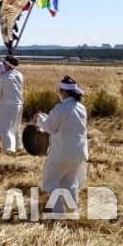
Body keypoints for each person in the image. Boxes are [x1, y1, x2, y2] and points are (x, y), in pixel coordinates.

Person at [35, 76, 88, 212]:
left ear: (64, 92)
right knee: (70, 183)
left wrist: (40, 118)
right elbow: (64, 124)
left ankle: (58, 212)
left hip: (61, 153)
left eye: (59, 90)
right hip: (79, 152)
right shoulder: (81, 108)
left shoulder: (60, 108)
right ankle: (72, 211)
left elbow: (50, 127)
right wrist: (46, 119)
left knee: (51, 182)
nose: (58, 93)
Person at [0, 55, 23, 153]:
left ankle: (9, 151)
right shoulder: (19, 75)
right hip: (19, 104)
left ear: (6, 65)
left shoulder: (2, 78)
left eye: (4, 64)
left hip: (8, 106)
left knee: (5, 129)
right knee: (16, 127)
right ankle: (19, 147)